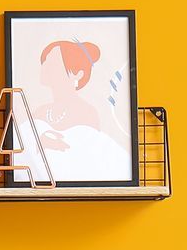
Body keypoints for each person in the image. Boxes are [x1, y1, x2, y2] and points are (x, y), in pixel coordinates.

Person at [26, 40, 130, 181]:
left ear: (78, 74)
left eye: (53, 63)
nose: (45, 66)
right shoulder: (40, 111)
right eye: (45, 61)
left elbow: (85, 162)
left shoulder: (87, 113)